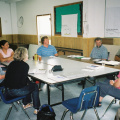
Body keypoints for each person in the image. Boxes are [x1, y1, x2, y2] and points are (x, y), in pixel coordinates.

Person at [0, 47, 41, 114]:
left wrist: (29, 83)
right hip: (15, 92)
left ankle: (26, 104)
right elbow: (23, 83)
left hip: (7, 91)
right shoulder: (25, 65)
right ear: (24, 55)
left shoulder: (12, 63)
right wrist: (30, 83)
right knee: (35, 86)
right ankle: (37, 108)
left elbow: (21, 78)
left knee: (30, 85)